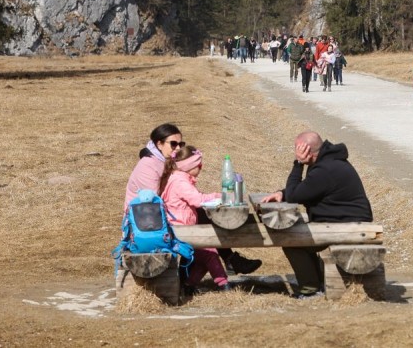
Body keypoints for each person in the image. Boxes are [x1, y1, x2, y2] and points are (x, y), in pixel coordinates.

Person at [123, 123, 260, 274]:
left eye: (181, 144)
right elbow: (150, 203)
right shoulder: (148, 166)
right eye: (173, 144)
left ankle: (230, 260)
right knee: (202, 214)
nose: (177, 148)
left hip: (163, 215)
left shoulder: (162, 161)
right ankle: (229, 261)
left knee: (205, 213)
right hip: (144, 225)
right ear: (159, 144)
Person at [259, 132, 372, 298]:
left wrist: (298, 164)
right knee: (300, 233)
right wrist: (282, 193)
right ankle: (315, 282)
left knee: (291, 239)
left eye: (297, 149)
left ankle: (310, 289)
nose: (296, 152)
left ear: (306, 150)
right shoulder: (328, 162)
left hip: (349, 227)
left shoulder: (325, 169)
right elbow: (306, 189)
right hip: (346, 221)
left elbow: (295, 196)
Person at [159, 145, 231, 294]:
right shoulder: (180, 181)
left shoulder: (178, 177)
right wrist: (219, 196)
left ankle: (188, 285)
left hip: (181, 228)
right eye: (199, 165)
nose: (201, 167)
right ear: (189, 166)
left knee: (204, 257)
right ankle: (224, 285)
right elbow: (197, 200)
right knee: (210, 252)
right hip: (179, 231)